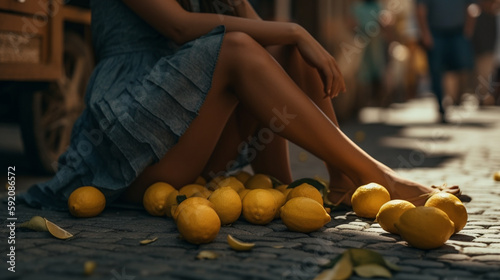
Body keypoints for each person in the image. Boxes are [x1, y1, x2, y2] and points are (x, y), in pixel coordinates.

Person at [20, 0, 460, 210]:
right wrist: (294, 31)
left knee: (281, 51)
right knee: (245, 48)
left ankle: (330, 183)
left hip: (191, 133)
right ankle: (380, 176)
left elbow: (257, 30)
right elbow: (177, 26)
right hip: (135, 141)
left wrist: (281, 32)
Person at [416, 0, 476, 123]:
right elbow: (420, 10)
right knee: (436, 71)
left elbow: (472, 7)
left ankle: (456, 98)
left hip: (457, 32)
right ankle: (441, 107)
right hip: (436, 33)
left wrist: (468, 29)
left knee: (462, 65)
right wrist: (425, 34)